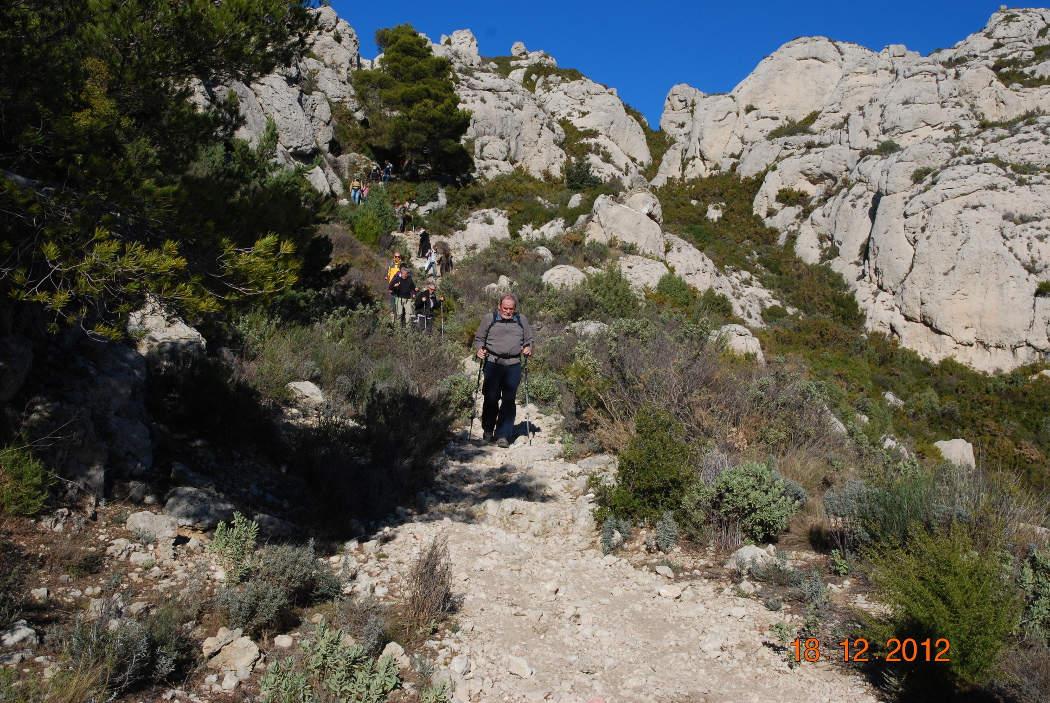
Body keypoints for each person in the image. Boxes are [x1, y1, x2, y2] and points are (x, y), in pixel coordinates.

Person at [474, 294, 534, 448]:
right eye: (505, 308)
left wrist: (528, 348)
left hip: (513, 364)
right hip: (493, 363)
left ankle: (503, 435)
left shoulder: (521, 319)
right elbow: (479, 338)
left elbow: (529, 339)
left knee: (509, 400)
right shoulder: (490, 318)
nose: (508, 311)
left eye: (511, 309)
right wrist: (479, 350)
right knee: (491, 398)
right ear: (499, 305)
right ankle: (488, 429)